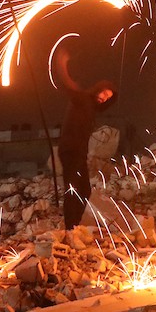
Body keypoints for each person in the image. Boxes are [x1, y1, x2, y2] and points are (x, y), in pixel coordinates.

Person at [53, 46, 117, 229]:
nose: (104, 98)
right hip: (70, 150)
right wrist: (61, 63)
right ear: (98, 89)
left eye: (108, 97)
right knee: (72, 189)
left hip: (78, 153)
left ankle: (75, 225)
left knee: (85, 190)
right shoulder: (82, 99)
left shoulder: (92, 107)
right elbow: (66, 84)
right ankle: (70, 229)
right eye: (104, 93)